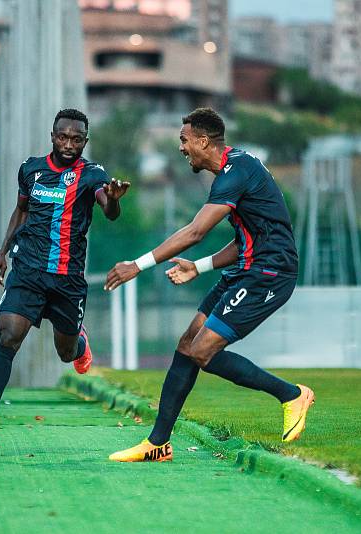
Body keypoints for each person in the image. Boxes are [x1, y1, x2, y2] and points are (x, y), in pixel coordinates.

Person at [104, 108, 314, 463]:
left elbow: (195, 231)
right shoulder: (234, 171)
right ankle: (158, 443)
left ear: (203, 141)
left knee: (202, 351)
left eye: (184, 141)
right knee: (187, 345)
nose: (182, 148)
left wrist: (136, 265)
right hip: (247, 269)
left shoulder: (237, 170)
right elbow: (243, 241)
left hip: (270, 273)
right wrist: (199, 267)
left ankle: (292, 394)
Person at [0, 109, 130, 445]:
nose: (69, 144)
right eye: (63, 137)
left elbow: (108, 210)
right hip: (28, 271)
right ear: (53, 136)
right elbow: (22, 210)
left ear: (85, 141)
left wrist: (112, 201)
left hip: (67, 281)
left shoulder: (92, 174)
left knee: (65, 353)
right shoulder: (31, 169)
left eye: (77, 139)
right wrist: (1, 252)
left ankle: (80, 343)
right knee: (9, 337)